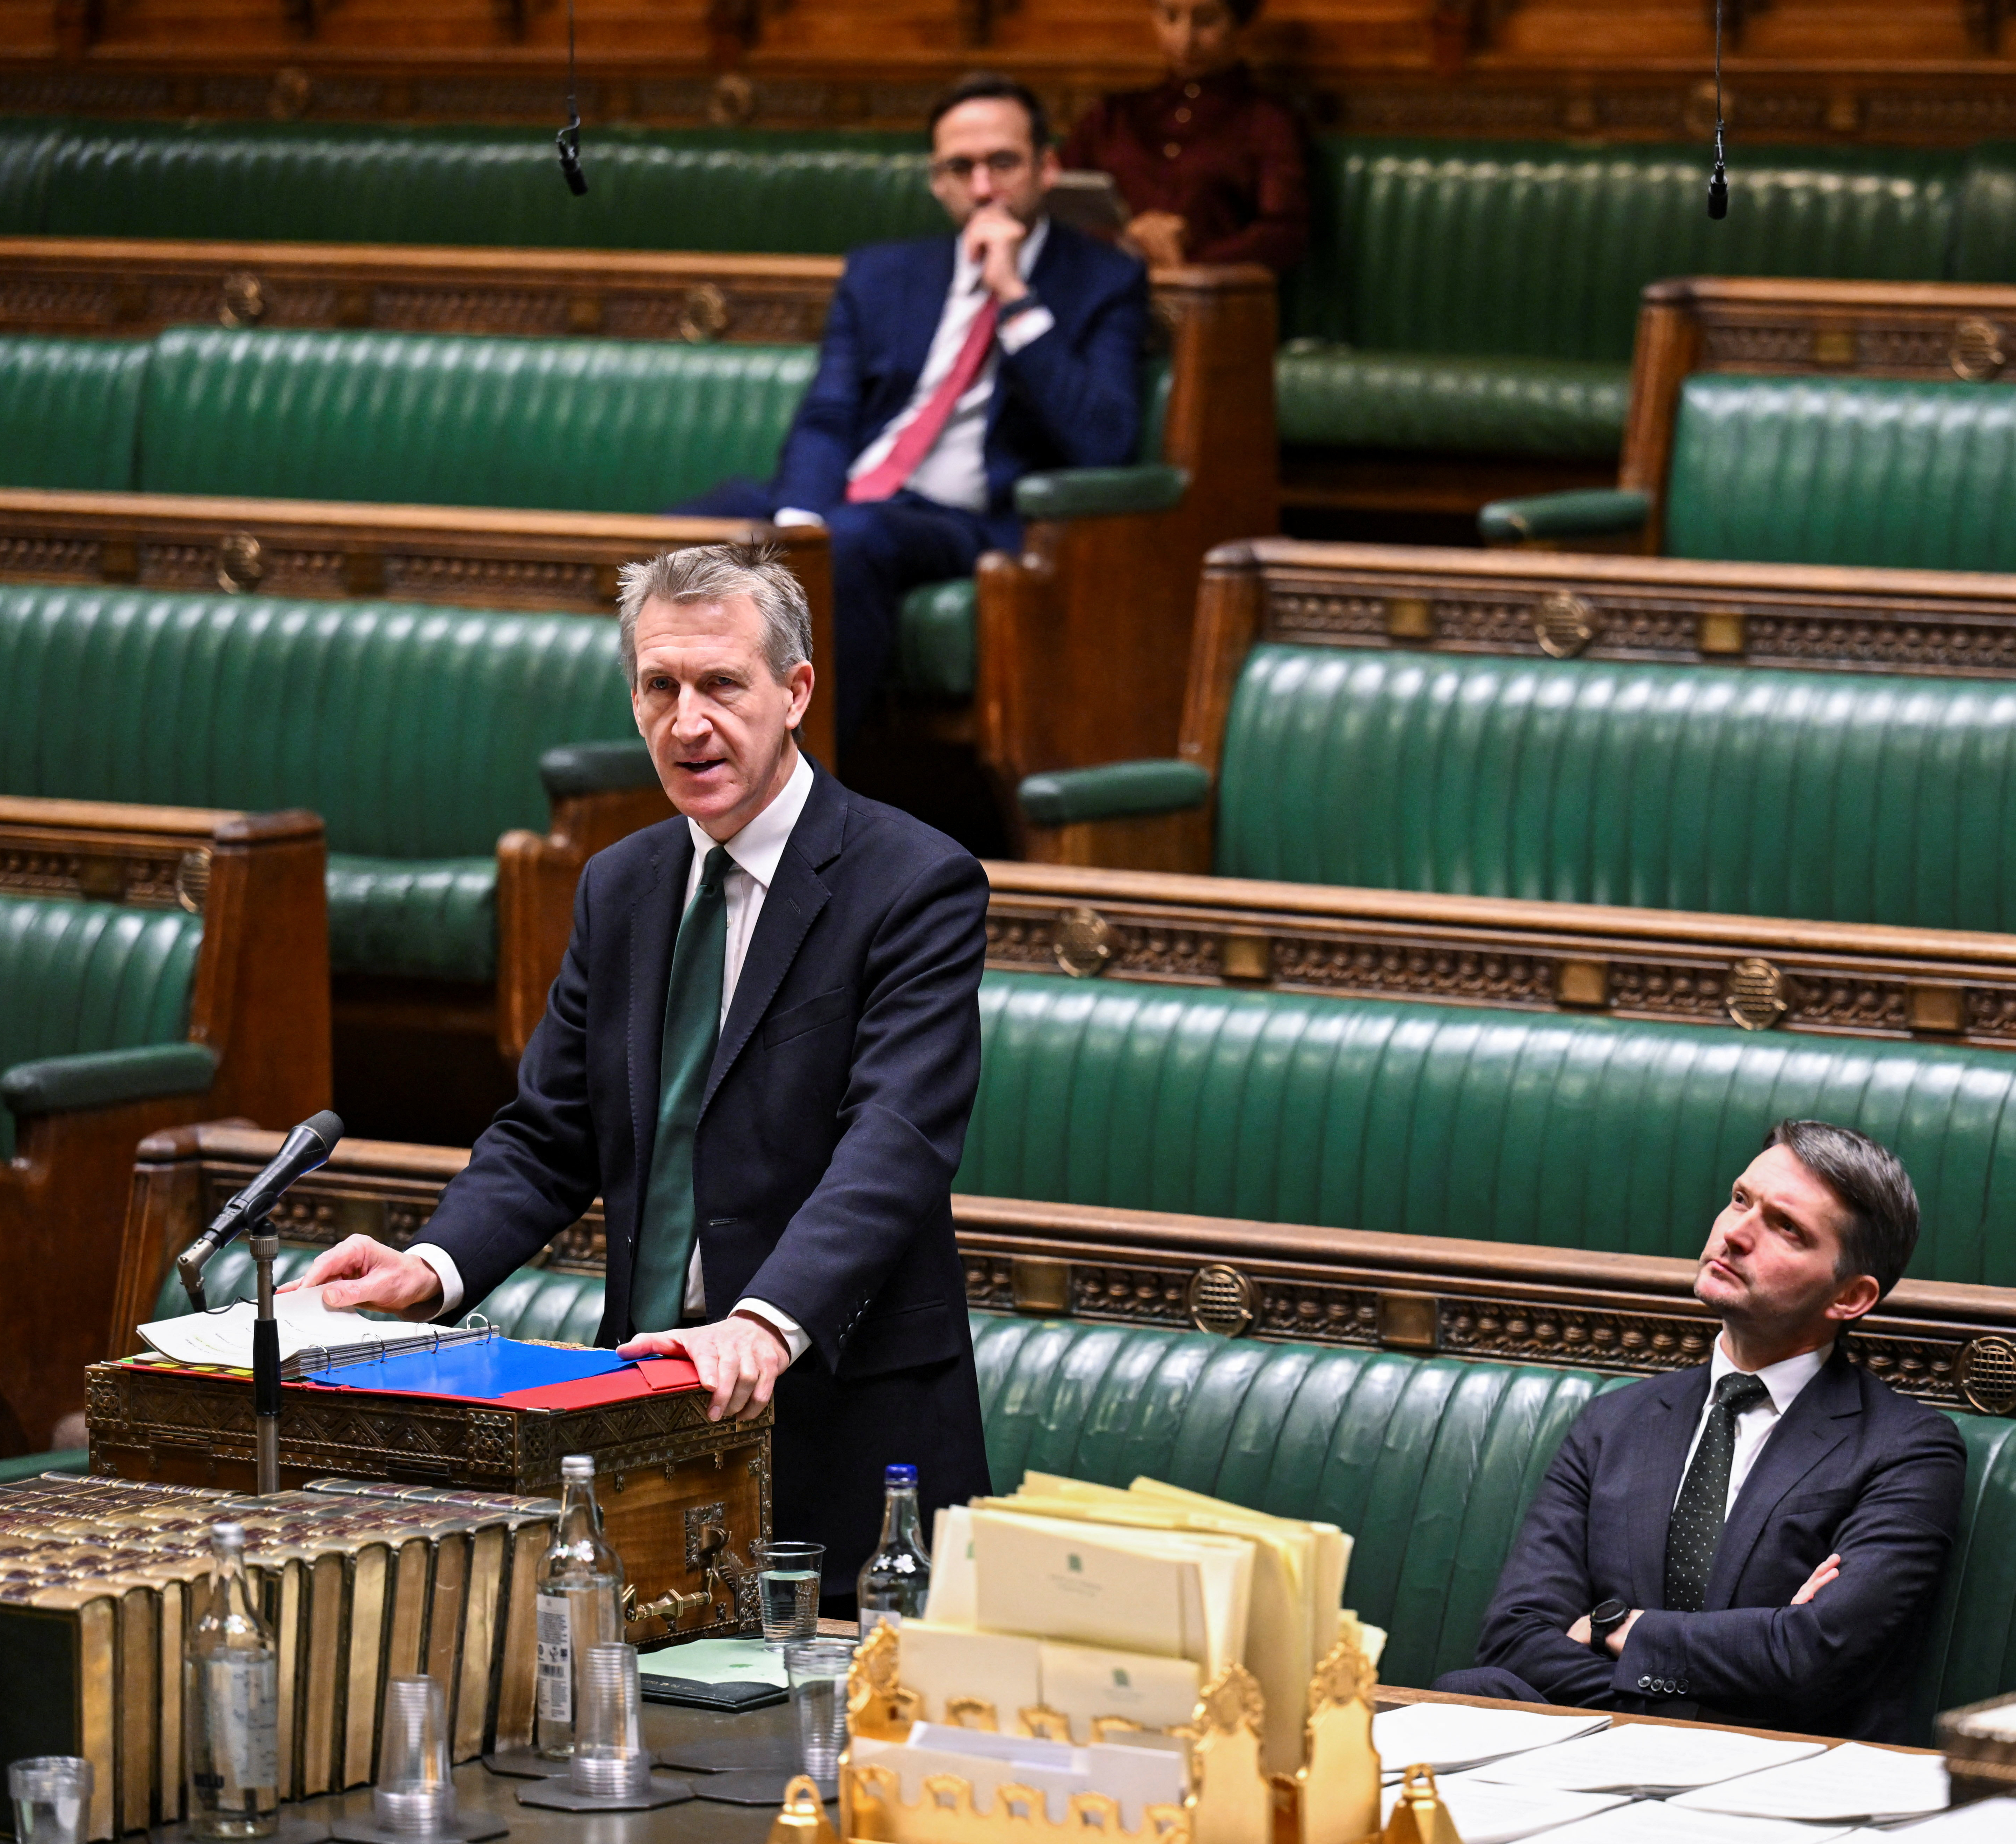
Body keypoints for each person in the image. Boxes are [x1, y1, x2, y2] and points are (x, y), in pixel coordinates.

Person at [284, 541, 993, 1605]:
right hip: (645, 1415)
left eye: (720, 685)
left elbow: (894, 1142)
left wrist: (762, 1322)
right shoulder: (623, 887)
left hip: (845, 1435)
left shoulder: (913, 882)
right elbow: (546, 1134)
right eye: (659, 688)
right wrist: (431, 1268)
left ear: (795, 691)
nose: (687, 721)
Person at [1435, 1122, 1965, 1744]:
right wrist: (1704, 1692)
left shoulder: (1906, 1450)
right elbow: (1516, 1635)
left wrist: (1612, 1626)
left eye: (1785, 1228)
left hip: (1768, 1782)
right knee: (1470, 1697)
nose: (1735, 1233)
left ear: (1850, 1296)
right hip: (1594, 1758)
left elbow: (1811, 1655)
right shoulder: (1614, 1422)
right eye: (1741, 1200)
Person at [672, 73, 1150, 741]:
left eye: (1003, 164)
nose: (983, 188)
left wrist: (1014, 298)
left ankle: (790, 777)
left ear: (1048, 168)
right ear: (937, 181)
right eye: (962, 168)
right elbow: (827, 415)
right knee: (680, 532)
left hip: (968, 521)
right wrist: (801, 529)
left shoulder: (1104, 281)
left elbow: (1103, 441)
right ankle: (644, 762)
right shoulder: (881, 275)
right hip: (849, 501)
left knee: (862, 537)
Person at [1058, 0, 1309, 272]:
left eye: (1206, 20)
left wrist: (1188, 260)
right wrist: (1126, 238)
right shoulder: (1113, 115)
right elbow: (1053, 200)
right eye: (1170, 16)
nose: (1185, 38)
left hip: (1210, 298)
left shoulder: (1267, 121)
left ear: (1239, 22)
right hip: (1104, 286)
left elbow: (1285, 232)